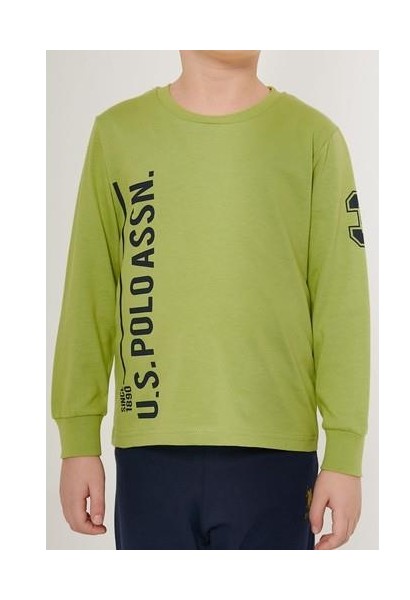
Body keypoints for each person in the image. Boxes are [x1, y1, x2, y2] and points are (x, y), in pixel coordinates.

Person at [51, 50, 371, 550]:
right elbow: (88, 293)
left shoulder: (314, 139)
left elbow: (341, 303)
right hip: (150, 448)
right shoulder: (119, 134)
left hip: (275, 454)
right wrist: (78, 440)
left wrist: (346, 452)